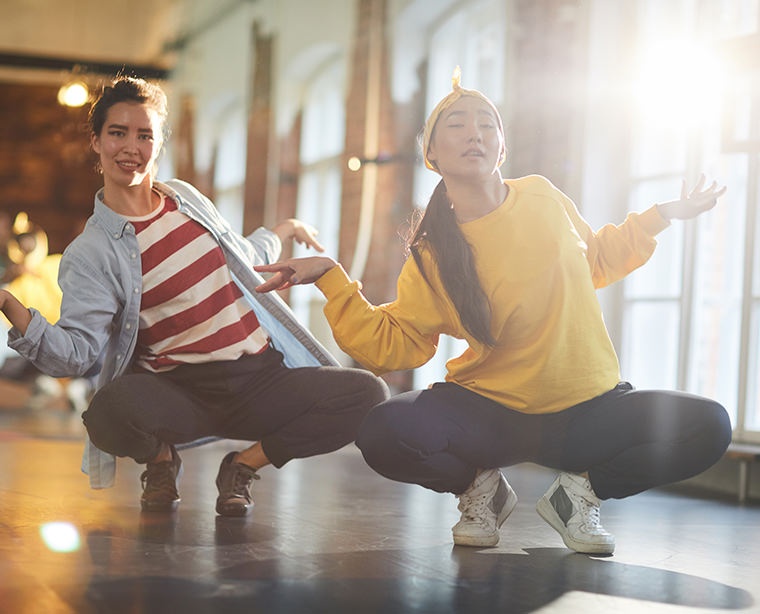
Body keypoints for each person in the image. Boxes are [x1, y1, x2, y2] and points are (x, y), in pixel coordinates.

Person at [253, 68, 732, 554]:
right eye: (457, 124)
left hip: (587, 410)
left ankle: (578, 496)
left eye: (487, 123)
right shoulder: (432, 253)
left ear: (501, 147)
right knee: (382, 432)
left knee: (709, 424)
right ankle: (479, 489)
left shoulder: (543, 197)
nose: (475, 132)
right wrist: (332, 277)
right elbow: (396, 342)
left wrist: (663, 214)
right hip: (491, 416)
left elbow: (597, 259)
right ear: (432, 154)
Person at [0, 76, 388, 515]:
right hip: (181, 393)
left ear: (158, 142)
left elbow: (240, 258)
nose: (131, 146)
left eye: (144, 134)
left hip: (261, 379)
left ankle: (241, 466)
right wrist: (7, 302)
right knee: (106, 413)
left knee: (367, 395)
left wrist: (283, 231)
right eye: (118, 133)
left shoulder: (185, 198)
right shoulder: (90, 253)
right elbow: (74, 354)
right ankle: (162, 463)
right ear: (96, 141)